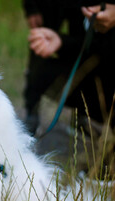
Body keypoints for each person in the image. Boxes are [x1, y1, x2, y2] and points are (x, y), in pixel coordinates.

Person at [22, 0, 115, 135]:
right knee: (42, 45)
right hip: (53, 7)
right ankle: (31, 112)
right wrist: (31, 7)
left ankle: (82, 117)